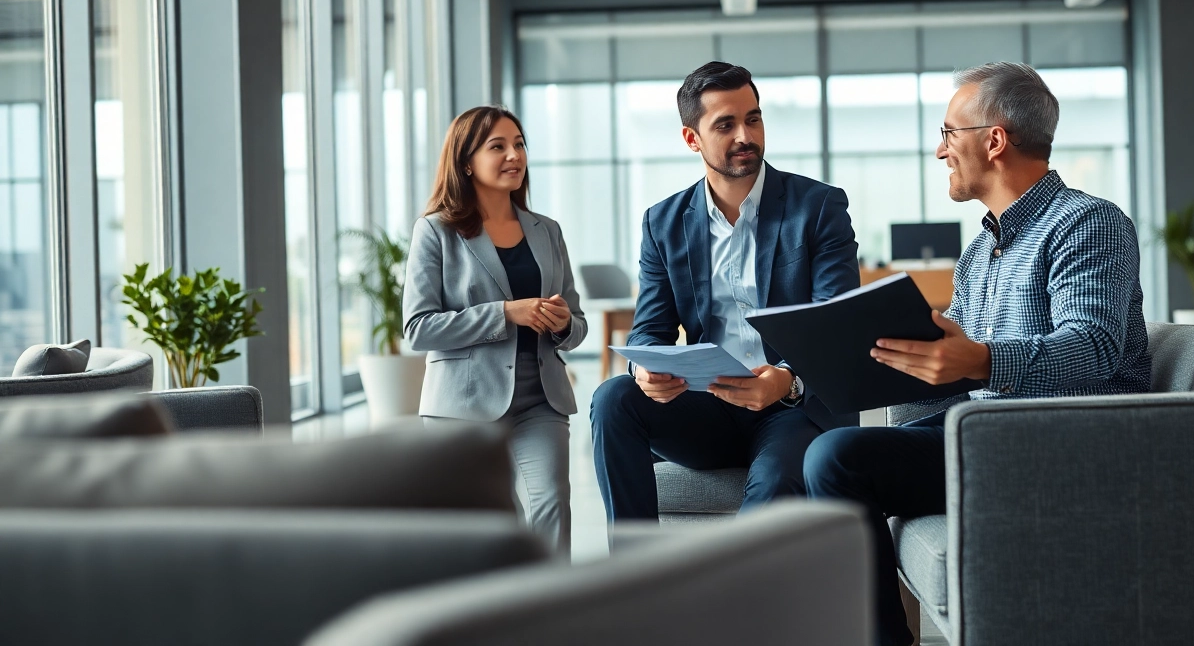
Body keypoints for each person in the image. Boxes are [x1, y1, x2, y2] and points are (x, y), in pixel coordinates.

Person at [803, 62, 1152, 646]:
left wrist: (982, 360)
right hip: (986, 428)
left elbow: (1092, 353)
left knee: (837, 457)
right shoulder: (978, 251)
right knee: (829, 448)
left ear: (994, 140)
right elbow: (956, 355)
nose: (940, 151)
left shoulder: (1089, 224)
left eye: (948, 133)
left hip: (1064, 436)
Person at [590, 61, 861, 523]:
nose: (745, 135)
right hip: (707, 405)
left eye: (752, 118)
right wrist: (647, 370)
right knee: (613, 397)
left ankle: (737, 590)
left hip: (792, 405)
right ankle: (633, 577)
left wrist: (787, 379)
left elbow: (836, 321)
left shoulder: (817, 207)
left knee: (772, 487)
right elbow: (649, 330)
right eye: (725, 124)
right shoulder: (664, 223)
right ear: (692, 139)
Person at [403, 105, 587, 556]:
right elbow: (417, 329)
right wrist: (505, 312)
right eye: (498, 146)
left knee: (551, 504)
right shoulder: (435, 231)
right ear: (467, 161)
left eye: (520, 144)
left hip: (540, 398)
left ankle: (548, 611)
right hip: (461, 405)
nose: (514, 155)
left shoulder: (548, 231)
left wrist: (564, 324)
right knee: (474, 528)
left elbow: (578, 324)